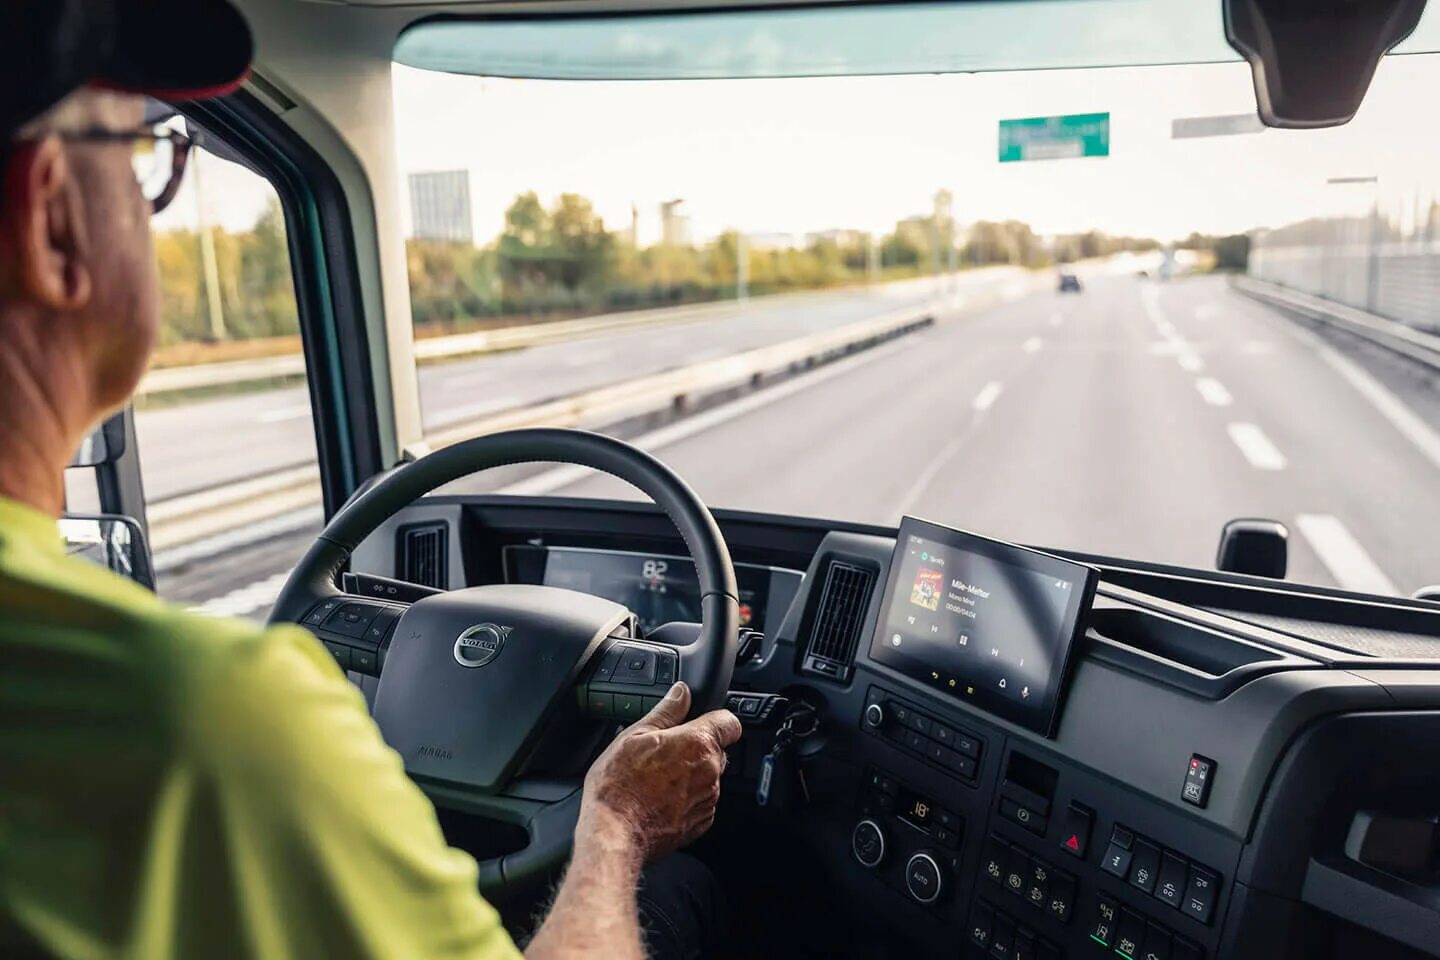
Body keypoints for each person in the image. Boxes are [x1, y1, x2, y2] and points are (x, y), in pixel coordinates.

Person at [0, 2, 742, 958]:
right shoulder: (209, 725)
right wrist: (616, 822)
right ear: (53, 217)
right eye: (145, 157)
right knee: (683, 888)